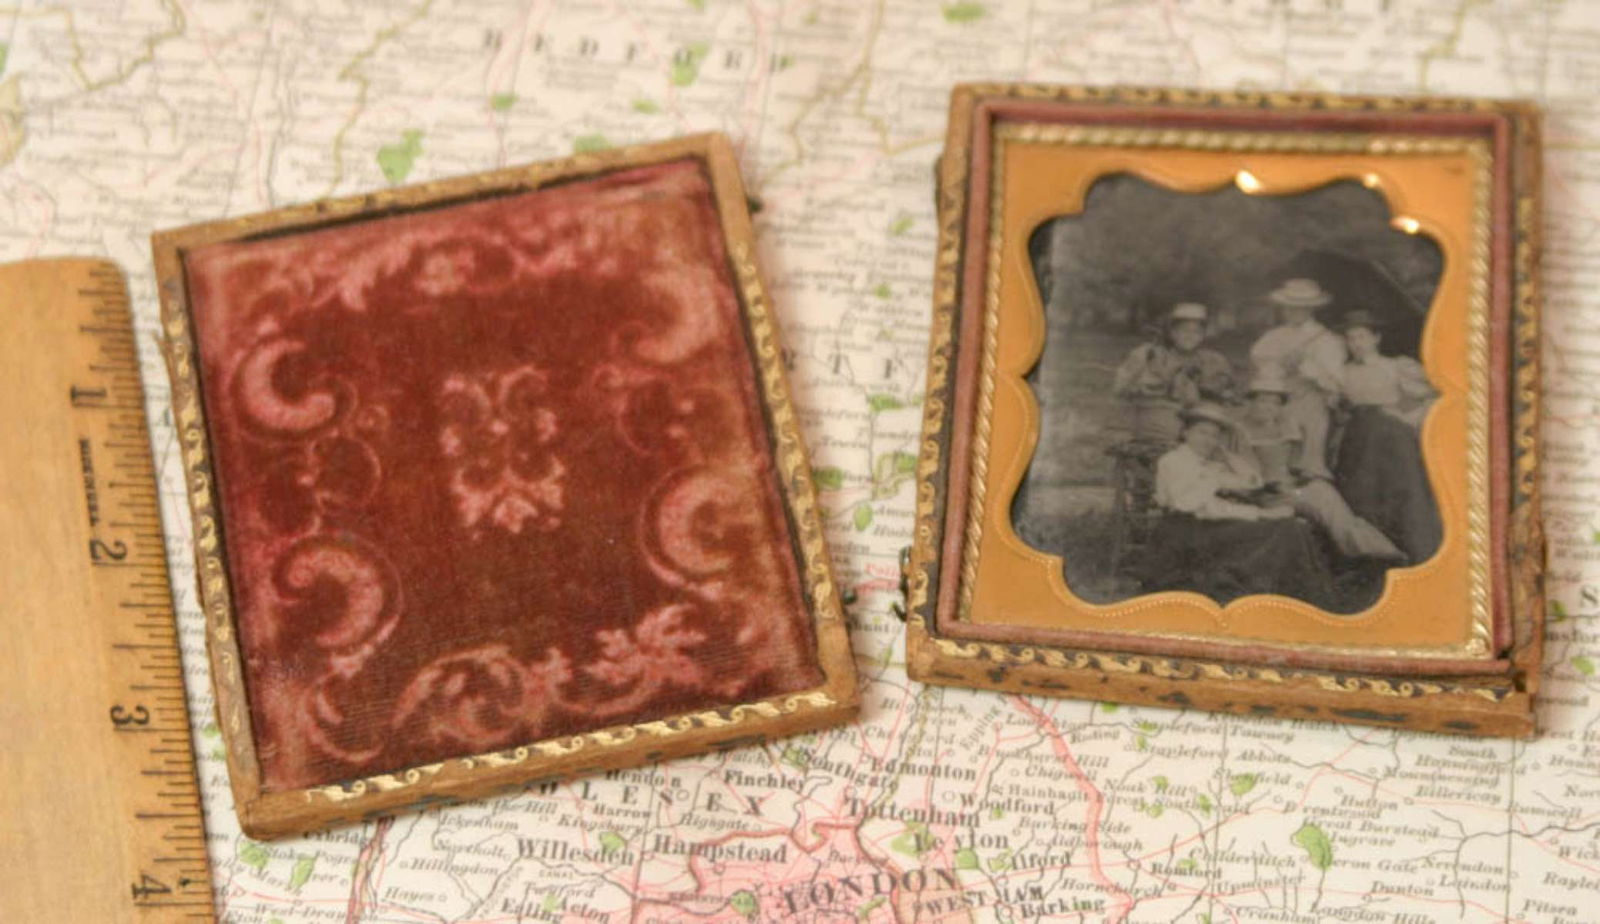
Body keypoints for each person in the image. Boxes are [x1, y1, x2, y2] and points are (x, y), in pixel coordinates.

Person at [1146, 402, 1333, 604]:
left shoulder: (1211, 465)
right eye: (1203, 433)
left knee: (1292, 527)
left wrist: (1227, 455)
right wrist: (1261, 514)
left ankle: (1306, 595)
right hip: (1183, 534)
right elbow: (1196, 506)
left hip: (1208, 527)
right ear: (1185, 432)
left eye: (1214, 436)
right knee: (1283, 529)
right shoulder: (1173, 461)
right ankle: (1303, 596)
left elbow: (1253, 481)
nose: (1209, 441)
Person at [1235, 372, 1403, 561]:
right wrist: (1274, 485)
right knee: (1320, 507)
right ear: (1251, 402)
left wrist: (1304, 475)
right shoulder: (1240, 431)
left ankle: (1375, 551)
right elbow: (1245, 473)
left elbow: (1295, 463)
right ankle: (1361, 553)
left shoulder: (1286, 426)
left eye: (1275, 403)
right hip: (1270, 493)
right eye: (1263, 401)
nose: (1268, 407)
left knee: (1327, 495)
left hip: (1294, 484)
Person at [1334, 310, 1442, 563]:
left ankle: (1415, 554)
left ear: (1376, 338)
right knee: (1361, 493)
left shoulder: (1394, 367)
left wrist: (1406, 419)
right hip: (1357, 438)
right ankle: (1376, 558)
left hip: (1392, 439)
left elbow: (1434, 394)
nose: (1356, 344)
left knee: (1401, 492)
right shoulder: (1343, 371)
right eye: (1350, 339)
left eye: (1361, 337)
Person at [1248, 278, 1345, 480]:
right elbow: (1261, 366)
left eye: (1300, 308)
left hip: (1310, 401)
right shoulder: (1273, 336)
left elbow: (1335, 381)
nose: (1293, 312)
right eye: (1289, 308)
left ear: (1311, 310)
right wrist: (1280, 367)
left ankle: (1310, 479)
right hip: (1278, 399)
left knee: (1308, 445)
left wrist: (1306, 369)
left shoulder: (1326, 339)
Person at [1114, 302, 1236, 443]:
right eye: (1184, 330)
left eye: (1196, 332)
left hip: (1196, 419)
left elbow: (1226, 394)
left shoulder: (1212, 360)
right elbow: (1123, 389)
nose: (1190, 336)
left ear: (1202, 336)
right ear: (1172, 333)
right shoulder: (1152, 355)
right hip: (1159, 419)